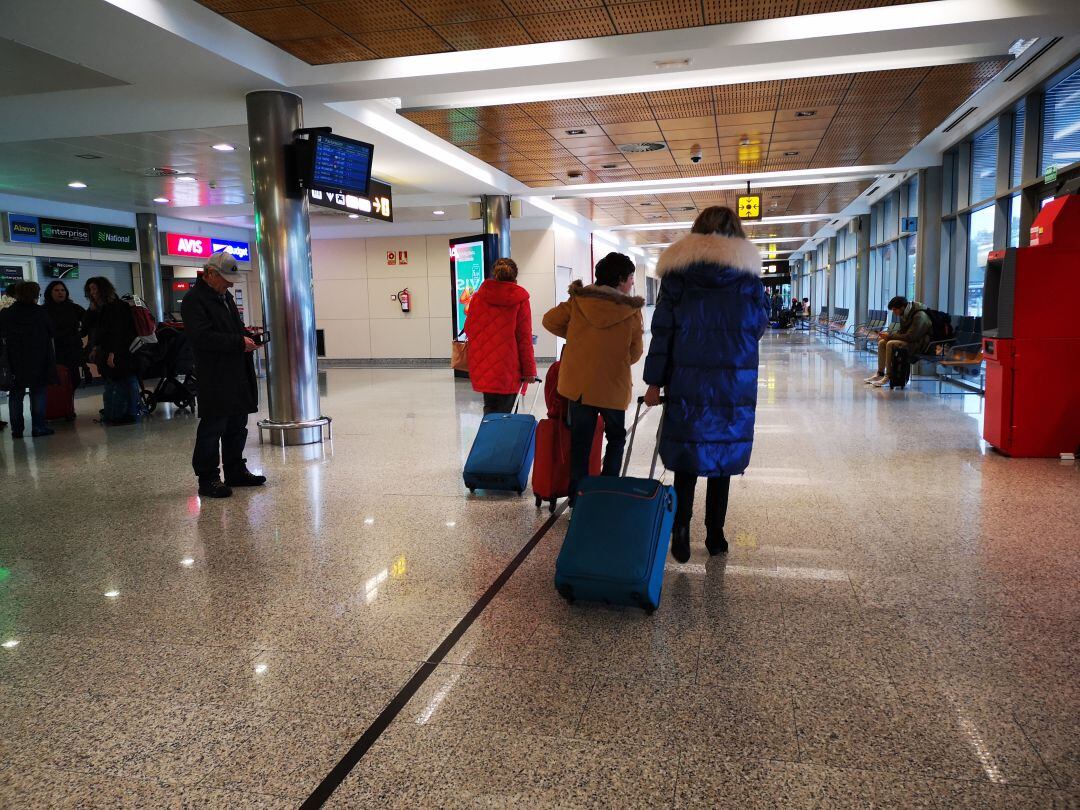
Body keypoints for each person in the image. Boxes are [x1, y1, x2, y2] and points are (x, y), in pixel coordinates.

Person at [643, 206, 768, 562]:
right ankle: (716, 535)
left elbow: (663, 333)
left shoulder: (678, 275)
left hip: (688, 380)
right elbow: (757, 328)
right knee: (722, 457)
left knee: (687, 456)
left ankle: (680, 530)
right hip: (733, 382)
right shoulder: (748, 279)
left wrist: (654, 381)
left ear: (697, 230)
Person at [542, 252, 644, 505]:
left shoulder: (579, 300)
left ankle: (578, 498)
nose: (632, 283)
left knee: (581, 442)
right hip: (612, 387)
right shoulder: (630, 310)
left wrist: (578, 339)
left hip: (579, 387)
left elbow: (549, 321)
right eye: (631, 278)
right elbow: (635, 352)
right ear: (621, 279)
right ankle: (606, 495)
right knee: (616, 438)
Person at [181, 251, 264, 498]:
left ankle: (235, 470)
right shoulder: (194, 300)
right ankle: (208, 478)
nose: (230, 284)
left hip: (237, 370)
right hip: (214, 374)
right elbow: (202, 337)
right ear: (210, 274)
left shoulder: (224, 296)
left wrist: (248, 338)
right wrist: (239, 343)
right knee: (213, 426)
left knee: (237, 424)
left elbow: (234, 329)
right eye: (226, 279)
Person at [463, 257, 537, 415]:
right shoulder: (520, 299)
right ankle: (503, 440)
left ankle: (489, 439)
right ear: (515, 277)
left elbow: (469, 329)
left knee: (489, 410)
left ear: (494, 275)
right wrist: (529, 371)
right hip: (509, 368)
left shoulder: (478, 297)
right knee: (507, 415)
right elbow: (524, 338)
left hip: (484, 364)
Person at [0, 281, 56, 438]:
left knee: (16, 395)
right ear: (35, 295)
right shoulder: (41, 313)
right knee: (38, 393)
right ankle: (38, 427)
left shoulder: (6, 313)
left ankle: (17, 430)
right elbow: (51, 331)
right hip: (39, 359)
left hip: (14, 361)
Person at [85, 276, 140, 425]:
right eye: (90, 290)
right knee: (120, 382)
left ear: (103, 289)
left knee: (122, 382)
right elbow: (94, 328)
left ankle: (124, 414)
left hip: (120, 352)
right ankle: (120, 413)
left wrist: (112, 354)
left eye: (94, 289)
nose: (92, 293)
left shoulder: (116, 307)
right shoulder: (102, 308)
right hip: (114, 351)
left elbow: (119, 333)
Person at [865, 295, 932, 387]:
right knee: (882, 343)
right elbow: (902, 332)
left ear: (902, 307)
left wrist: (890, 336)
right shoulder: (905, 314)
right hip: (911, 341)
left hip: (920, 344)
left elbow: (911, 336)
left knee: (890, 344)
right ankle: (880, 373)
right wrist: (887, 336)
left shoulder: (919, 316)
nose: (894, 312)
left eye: (894, 309)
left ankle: (888, 376)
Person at [42, 280, 86, 392]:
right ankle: (59, 408)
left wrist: (80, 333)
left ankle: (69, 406)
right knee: (57, 382)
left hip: (72, 350)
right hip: (54, 351)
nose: (60, 293)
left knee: (74, 380)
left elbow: (88, 321)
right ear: (50, 293)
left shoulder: (74, 308)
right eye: (56, 290)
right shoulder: (43, 310)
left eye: (62, 290)